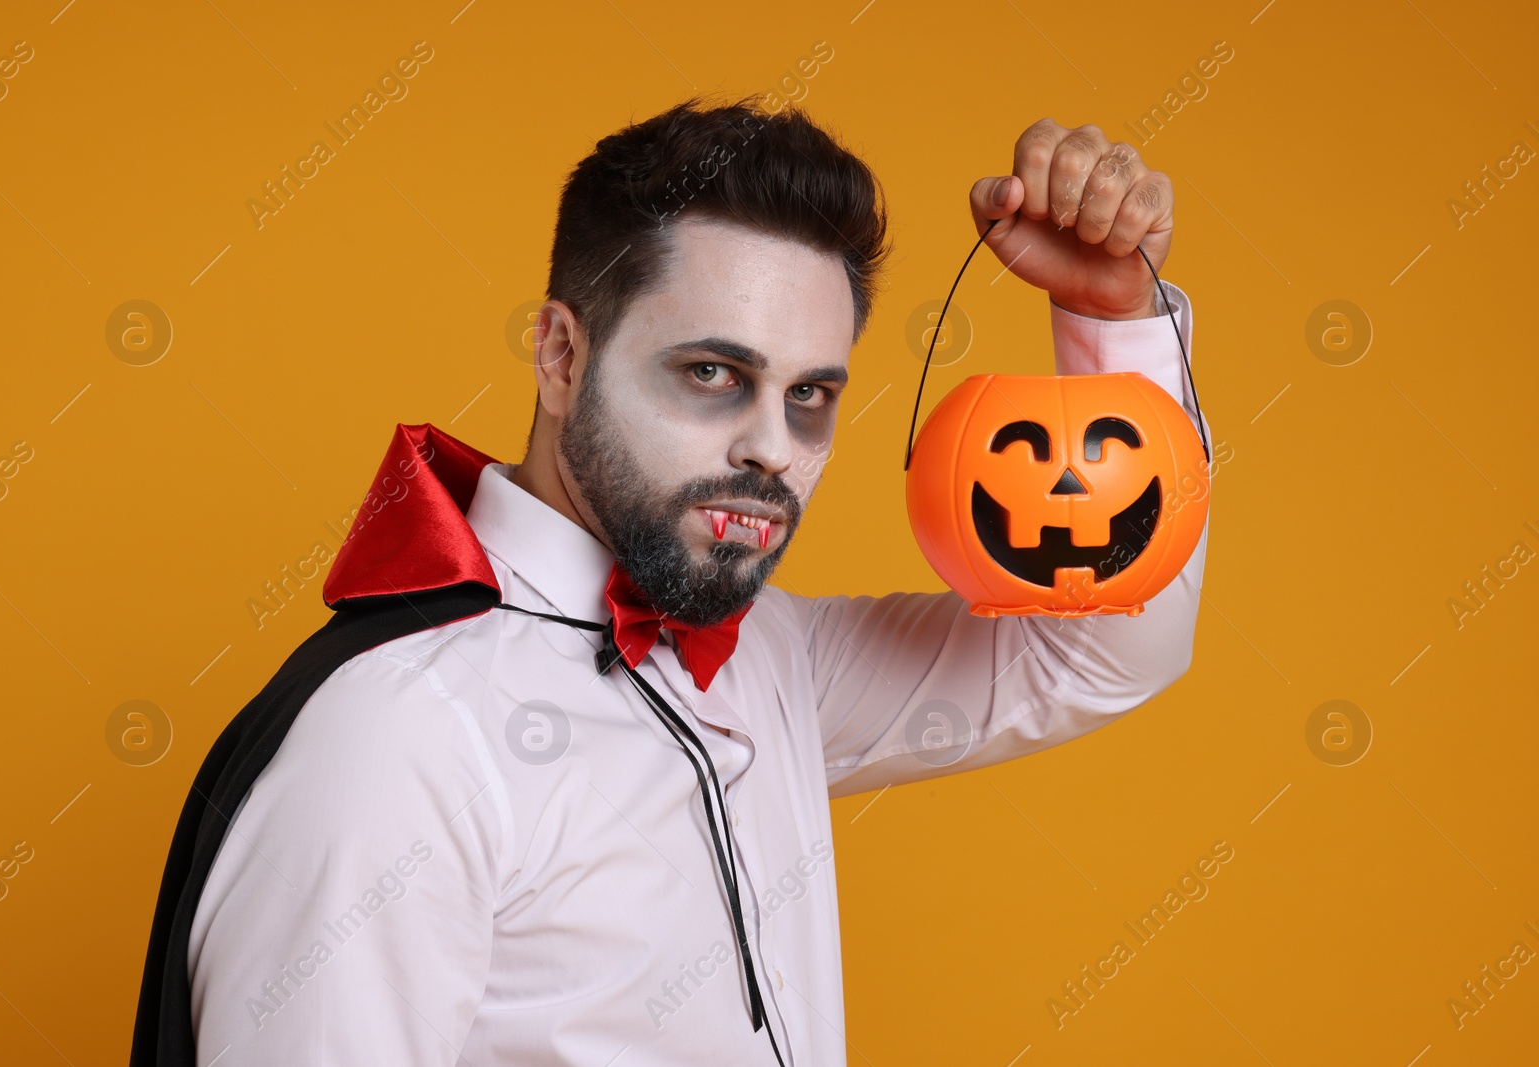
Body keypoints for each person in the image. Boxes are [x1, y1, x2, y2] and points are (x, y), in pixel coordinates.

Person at [153, 94, 1210, 1066]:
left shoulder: (775, 657)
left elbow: (1103, 648)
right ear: (562, 356)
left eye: (809, 395)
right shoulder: (401, 737)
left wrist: (1115, 317)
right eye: (713, 373)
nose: (769, 446)